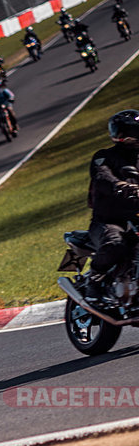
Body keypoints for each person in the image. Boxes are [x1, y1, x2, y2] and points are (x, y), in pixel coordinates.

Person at [83, 109, 139, 305]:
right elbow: (101, 177)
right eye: (135, 132)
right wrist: (119, 185)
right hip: (109, 221)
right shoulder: (104, 156)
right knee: (116, 243)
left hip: (136, 218)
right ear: (121, 135)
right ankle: (94, 282)